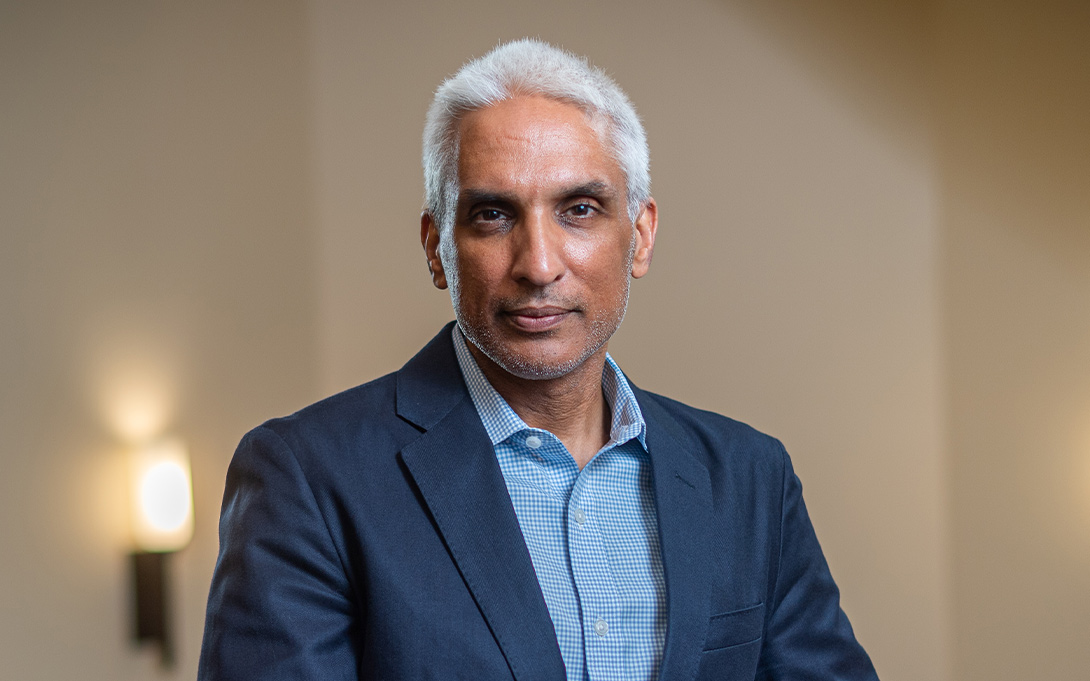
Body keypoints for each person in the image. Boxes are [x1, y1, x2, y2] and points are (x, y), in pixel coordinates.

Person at [198, 39, 879, 681]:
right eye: (493, 215)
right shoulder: (306, 478)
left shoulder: (751, 479)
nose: (539, 264)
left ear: (639, 237)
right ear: (437, 248)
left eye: (579, 209)